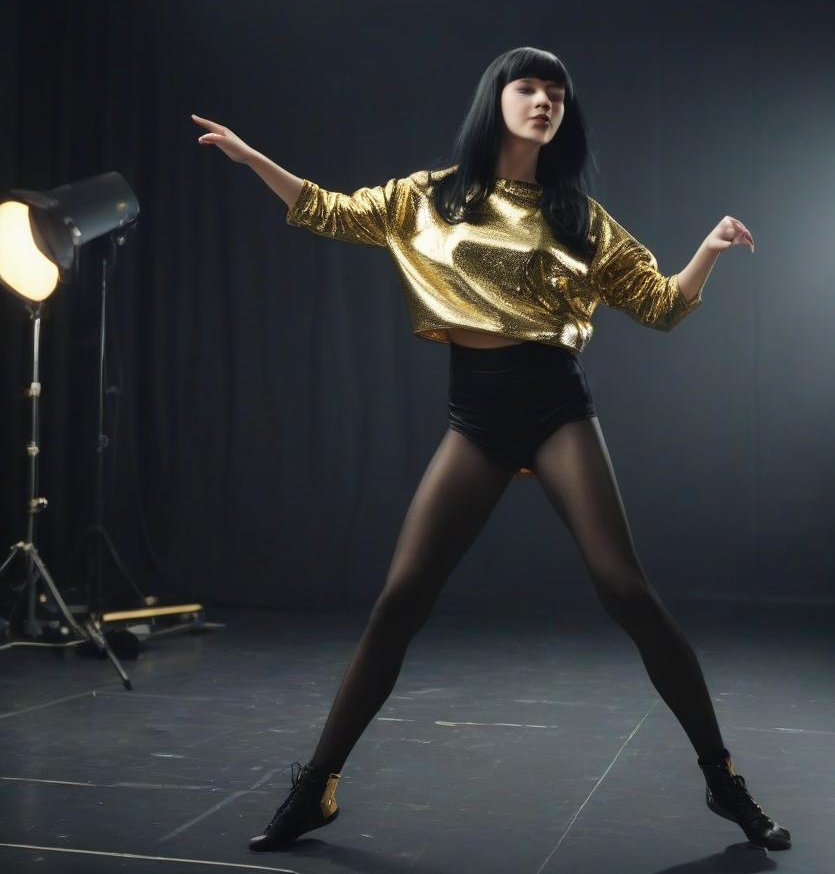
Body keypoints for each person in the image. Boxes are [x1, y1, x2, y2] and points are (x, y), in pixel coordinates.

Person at [191, 46, 790, 854]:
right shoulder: (428, 197)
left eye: (556, 93)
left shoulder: (580, 216)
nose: (544, 101)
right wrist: (250, 154)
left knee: (626, 591)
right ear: (497, 100)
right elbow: (327, 211)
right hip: (474, 416)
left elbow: (660, 307)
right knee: (398, 603)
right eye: (528, 88)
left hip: (554, 407)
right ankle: (317, 787)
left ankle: (723, 781)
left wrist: (708, 251)